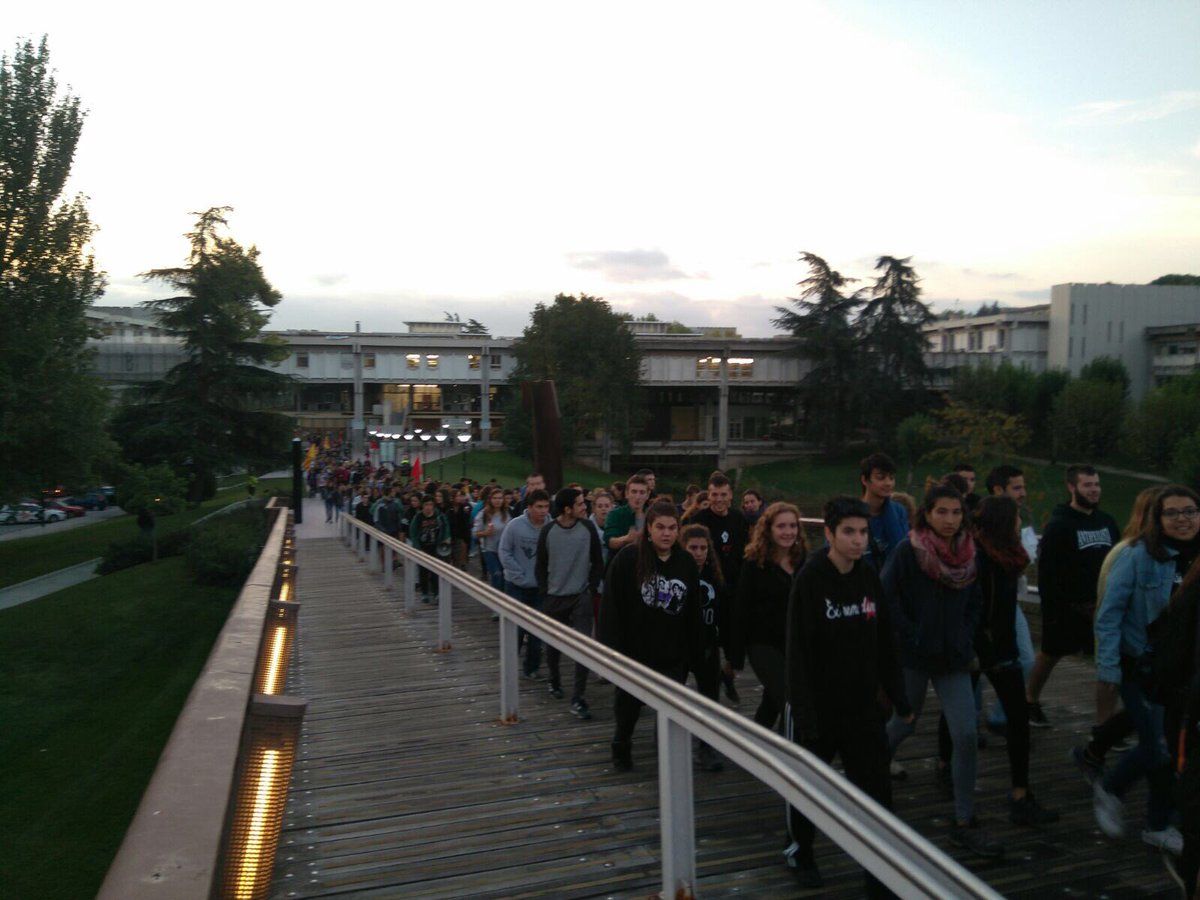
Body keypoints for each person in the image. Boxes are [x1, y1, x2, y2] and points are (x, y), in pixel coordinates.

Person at [783, 497, 911, 893]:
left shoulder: (868, 575)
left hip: (862, 706)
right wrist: (804, 714)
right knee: (808, 787)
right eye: (849, 532)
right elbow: (797, 650)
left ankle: (879, 871)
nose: (858, 540)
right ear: (829, 533)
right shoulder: (811, 579)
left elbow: (884, 640)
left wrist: (899, 697)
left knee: (876, 791)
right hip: (819, 706)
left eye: (863, 532)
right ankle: (801, 850)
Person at [883, 484, 1002, 858]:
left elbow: (976, 602)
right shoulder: (909, 551)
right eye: (941, 512)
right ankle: (868, 774)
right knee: (905, 722)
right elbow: (887, 597)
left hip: (953, 657)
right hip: (915, 655)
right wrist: (912, 633)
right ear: (927, 514)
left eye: (956, 512)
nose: (949, 520)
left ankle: (964, 818)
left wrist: (964, 636)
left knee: (965, 733)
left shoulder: (970, 553)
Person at [936, 496, 1059, 826]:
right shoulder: (978, 558)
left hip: (1002, 648)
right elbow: (972, 609)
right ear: (1005, 521)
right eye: (1016, 517)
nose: (1020, 523)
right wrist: (979, 650)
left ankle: (1020, 793)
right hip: (978, 649)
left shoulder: (1008, 556)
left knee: (1018, 719)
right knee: (959, 712)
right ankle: (945, 765)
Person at [1093, 485, 1200, 854]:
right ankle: (1118, 792)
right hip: (1140, 667)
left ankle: (1157, 818)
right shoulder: (1137, 555)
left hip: (1183, 670)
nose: (1183, 519)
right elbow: (1109, 615)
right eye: (1172, 512)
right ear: (1157, 518)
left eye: (1190, 511)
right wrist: (1108, 668)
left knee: (1173, 745)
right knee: (1159, 748)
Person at [600, 500, 703, 771]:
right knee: (628, 706)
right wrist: (610, 649)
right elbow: (612, 606)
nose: (666, 533)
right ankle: (621, 745)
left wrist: (694, 651)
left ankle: (667, 755)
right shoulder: (629, 559)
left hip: (672, 650)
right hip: (634, 650)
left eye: (672, 528)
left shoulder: (685, 563)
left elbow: (693, 610)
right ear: (649, 528)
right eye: (660, 527)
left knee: (670, 707)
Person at [1072, 486, 1163, 782]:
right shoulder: (1127, 553)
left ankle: (1095, 750)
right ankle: (1113, 783)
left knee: (1144, 714)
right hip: (1134, 654)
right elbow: (1108, 611)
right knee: (1153, 729)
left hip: (1167, 655)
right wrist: (1108, 664)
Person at [1027, 465, 1120, 727]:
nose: (1094, 490)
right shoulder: (1059, 525)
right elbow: (1047, 574)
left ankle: (1105, 725)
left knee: (1109, 663)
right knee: (1050, 654)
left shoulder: (1107, 522)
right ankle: (1029, 700)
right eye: (1087, 485)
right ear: (1072, 487)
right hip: (1068, 607)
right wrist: (1055, 610)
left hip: (1103, 607)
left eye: (1096, 484)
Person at [731, 501, 807, 729]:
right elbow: (741, 608)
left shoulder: (802, 560)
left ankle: (755, 740)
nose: (788, 532)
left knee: (772, 701)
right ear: (769, 529)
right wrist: (735, 657)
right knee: (790, 701)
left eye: (792, 526)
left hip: (792, 642)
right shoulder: (755, 563)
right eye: (781, 526)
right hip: (762, 642)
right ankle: (788, 749)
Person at [536, 487, 605, 719]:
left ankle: (579, 696)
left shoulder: (588, 528)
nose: (585, 507)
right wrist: (545, 592)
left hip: (581, 596)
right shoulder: (548, 531)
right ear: (567, 509)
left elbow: (597, 561)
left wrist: (591, 587)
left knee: (583, 646)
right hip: (555, 596)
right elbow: (540, 565)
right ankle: (554, 679)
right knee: (553, 644)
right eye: (580, 504)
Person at [692, 472, 751, 703]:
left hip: (734, 587)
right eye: (714, 494)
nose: (718, 499)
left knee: (736, 648)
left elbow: (747, 551)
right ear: (709, 494)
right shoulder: (699, 519)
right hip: (708, 588)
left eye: (723, 494)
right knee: (709, 643)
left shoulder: (738, 518)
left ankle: (726, 675)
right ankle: (709, 688)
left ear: (730, 495)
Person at [681, 522, 727, 772]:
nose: (698, 553)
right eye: (693, 548)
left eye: (703, 548)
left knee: (710, 697)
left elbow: (723, 610)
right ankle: (664, 734)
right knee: (673, 692)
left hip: (707, 644)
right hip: (679, 644)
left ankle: (706, 747)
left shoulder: (714, 576)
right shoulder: (675, 573)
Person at [499, 489, 552, 679]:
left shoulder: (551, 527)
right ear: (529, 507)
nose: (543, 511)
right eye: (539, 507)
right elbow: (504, 551)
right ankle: (509, 665)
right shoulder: (515, 526)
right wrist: (518, 574)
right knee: (516, 630)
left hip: (540, 587)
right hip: (517, 585)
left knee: (537, 630)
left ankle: (532, 667)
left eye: (546, 507)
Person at [860, 452, 908, 570]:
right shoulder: (850, 514)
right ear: (865, 480)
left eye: (891, 478)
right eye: (880, 477)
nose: (888, 483)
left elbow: (904, 551)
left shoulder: (899, 511)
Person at [408, 495, 450, 603]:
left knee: (436, 571)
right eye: (426, 505)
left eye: (431, 504)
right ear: (422, 505)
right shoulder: (418, 517)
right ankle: (425, 593)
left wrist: (446, 539)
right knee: (423, 571)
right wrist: (417, 548)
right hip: (423, 547)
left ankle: (436, 593)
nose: (428, 507)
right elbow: (413, 533)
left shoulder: (439, 516)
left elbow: (446, 528)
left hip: (436, 546)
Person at [603, 474, 651, 556]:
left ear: (648, 495)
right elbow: (609, 541)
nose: (638, 497)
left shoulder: (652, 515)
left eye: (642, 492)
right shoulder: (615, 514)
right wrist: (626, 538)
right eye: (634, 492)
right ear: (626, 494)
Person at [474, 486, 510, 593]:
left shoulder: (506, 514)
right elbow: (475, 533)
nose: (497, 500)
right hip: (489, 549)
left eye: (500, 498)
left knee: (505, 576)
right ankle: (496, 597)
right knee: (497, 574)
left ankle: (503, 597)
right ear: (490, 499)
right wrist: (486, 533)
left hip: (503, 549)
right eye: (495, 498)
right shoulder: (483, 514)